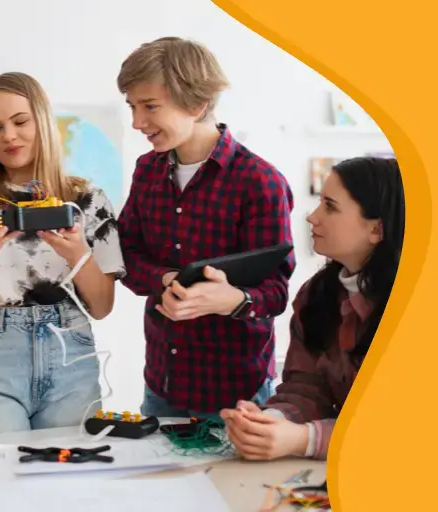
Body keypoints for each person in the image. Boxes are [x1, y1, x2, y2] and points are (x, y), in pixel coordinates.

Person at [0, 72, 126, 436]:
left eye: (20, 122)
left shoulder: (87, 199)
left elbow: (102, 307)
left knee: (71, 480)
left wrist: (79, 255)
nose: (8, 136)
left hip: (71, 349)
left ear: (43, 120)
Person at [115, 36, 296, 418]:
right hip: (161, 384)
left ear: (197, 105)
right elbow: (125, 255)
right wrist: (166, 278)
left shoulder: (260, 181)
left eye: (149, 106)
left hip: (238, 394)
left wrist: (232, 300)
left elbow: (276, 291)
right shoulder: (147, 171)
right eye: (132, 106)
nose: (136, 122)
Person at [220, 157, 404, 461]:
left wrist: (306, 439)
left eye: (330, 206)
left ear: (377, 229)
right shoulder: (316, 294)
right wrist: (271, 421)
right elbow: (306, 386)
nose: (312, 217)